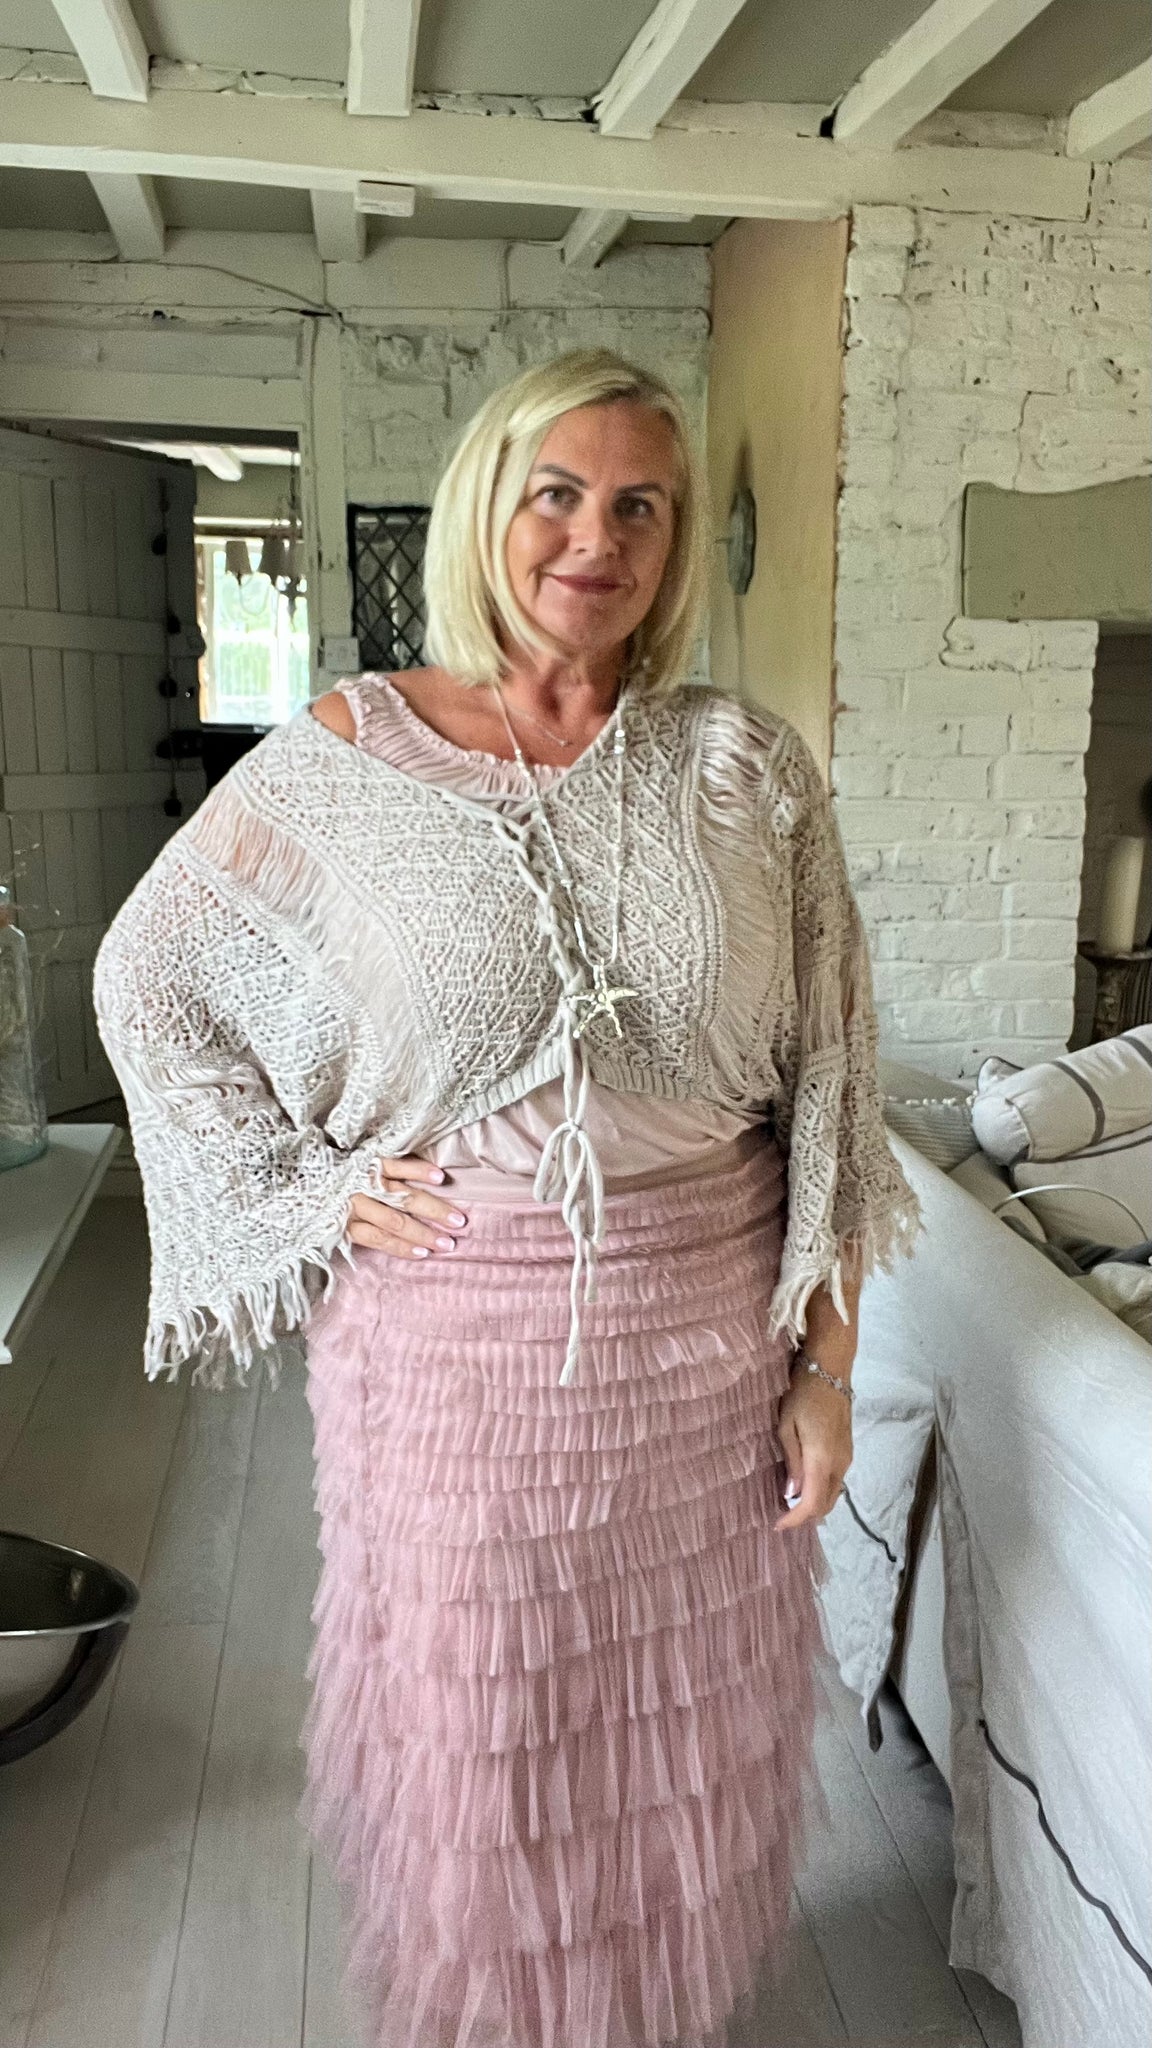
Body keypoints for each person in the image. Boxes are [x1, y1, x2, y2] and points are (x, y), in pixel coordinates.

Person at [93, 349, 921, 2048]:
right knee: (486, 1744)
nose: (595, 539)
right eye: (559, 493)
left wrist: (826, 1368)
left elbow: (835, 1073)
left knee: (678, 1742)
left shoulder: (744, 767)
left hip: (704, 1352)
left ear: (673, 545)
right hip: (454, 1353)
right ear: (490, 506)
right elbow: (151, 977)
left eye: (641, 506)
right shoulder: (348, 754)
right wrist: (312, 1195)